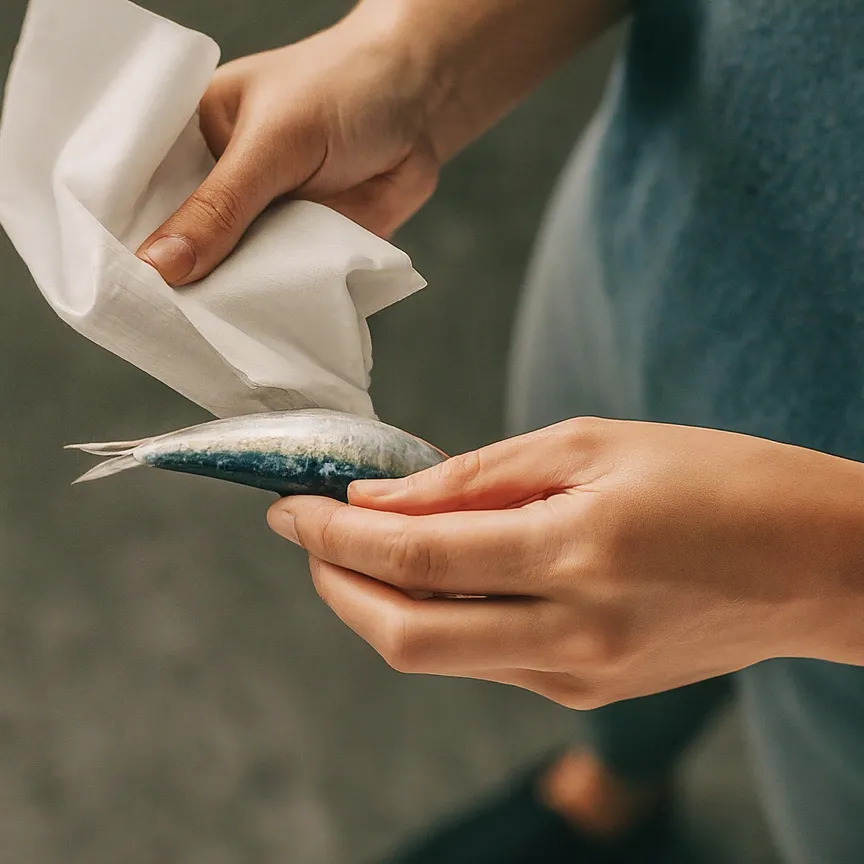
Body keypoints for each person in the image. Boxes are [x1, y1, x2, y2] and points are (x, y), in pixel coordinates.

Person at [136, 1, 864, 862]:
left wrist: (824, 574)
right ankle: (608, 791)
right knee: (583, 624)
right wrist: (418, 52)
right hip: (646, 236)